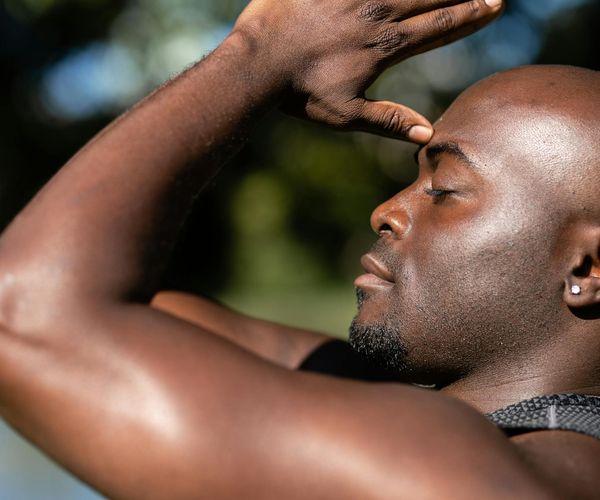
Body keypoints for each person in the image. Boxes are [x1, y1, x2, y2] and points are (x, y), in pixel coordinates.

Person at [0, 0, 598, 497]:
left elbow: (23, 314)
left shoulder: (457, 477)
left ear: (589, 268)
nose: (386, 211)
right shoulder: (479, 435)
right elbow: (107, 295)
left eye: (443, 189)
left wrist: (263, 53)